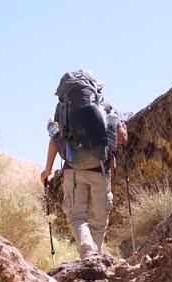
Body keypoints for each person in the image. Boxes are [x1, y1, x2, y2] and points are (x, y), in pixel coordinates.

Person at [40, 71, 128, 259]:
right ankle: (93, 260)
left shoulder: (62, 108)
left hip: (73, 171)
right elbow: (121, 138)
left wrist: (47, 171)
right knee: (98, 221)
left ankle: (88, 252)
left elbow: (55, 139)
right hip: (101, 169)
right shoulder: (105, 104)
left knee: (76, 217)